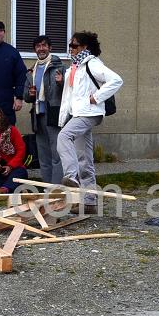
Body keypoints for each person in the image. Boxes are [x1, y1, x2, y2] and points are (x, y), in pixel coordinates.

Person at [57, 31, 123, 212]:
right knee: (84, 158)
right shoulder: (73, 68)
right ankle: (90, 201)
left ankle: (71, 176)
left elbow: (116, 80)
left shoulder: (92, 63)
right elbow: (67, 97)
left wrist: (97, 97)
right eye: (70, 45)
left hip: (89, 113)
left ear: (85, 47)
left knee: (63, 137)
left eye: (74, 46)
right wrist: (64, 117)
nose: (71, 49)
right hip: (78, 113)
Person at [23, 35, 64, 184]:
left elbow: (69, 91)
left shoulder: (59, 67)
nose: (41, 48)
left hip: (53, 113)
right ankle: (48, 187)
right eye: (38, 46)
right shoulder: (31, 71)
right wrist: (30, 94)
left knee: (56, 154)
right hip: (37, 114)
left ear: (50, 48)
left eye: (44, 45)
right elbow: (25, 96)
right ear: (35, 50)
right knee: (43, 154)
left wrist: (62, 83)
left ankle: (57, 187)